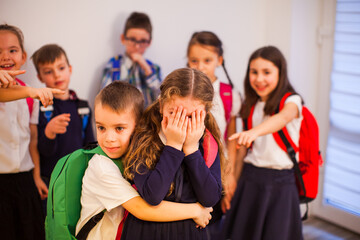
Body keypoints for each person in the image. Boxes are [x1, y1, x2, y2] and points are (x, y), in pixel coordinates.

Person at [76, 81, 213, 239]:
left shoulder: (137, 155)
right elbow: (142, 209)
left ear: (139, 125)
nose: (109, 138)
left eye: (119, 128)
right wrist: (196, 210)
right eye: (101, 127)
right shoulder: (101, 167)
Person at [121, 68, 225, 240]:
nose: (182, 123)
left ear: (205, 114)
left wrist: (191, 150)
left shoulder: (208, 144)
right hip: (145, 232)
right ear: (161, 106)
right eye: (174, 113)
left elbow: (210, 198)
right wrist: (174, 145)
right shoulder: (143, 137)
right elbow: (152, 196)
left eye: (191, 116)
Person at [221, 46, 303, 240]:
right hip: (250, 180)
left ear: (280, 73)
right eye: (254, 72)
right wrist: (232, 181)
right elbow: (243, 152)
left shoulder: (292, 101)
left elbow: (282, 118)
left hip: (281, 184)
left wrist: (253, 132)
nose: (259, 79)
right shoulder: (250, 104)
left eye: (267, 72)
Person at [186, 31, 242, 238]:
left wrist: (230, 174)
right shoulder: (183, 90)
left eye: (207, 60)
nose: (200, 66)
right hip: (188, 164)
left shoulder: (229, 94)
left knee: (213, 221)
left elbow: (231, 138)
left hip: (216, 168)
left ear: (219, 60)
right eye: (194, 60)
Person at [31, 44, 95, 211]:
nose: (57, 74)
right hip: (50, 181)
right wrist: (49, 132)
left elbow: (90, 145)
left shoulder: (83, 107)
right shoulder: (41, 108)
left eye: (61, 68)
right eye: (48, 71)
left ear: (70, 69)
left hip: (78, 180)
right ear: (40, 77)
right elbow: (43, 151)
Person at [0, 23, 45, 239]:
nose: (5, 57)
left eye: (12, 50)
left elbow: (33, 139)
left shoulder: (31, 97)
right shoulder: (31, 91)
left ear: (23, 56)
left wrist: (36, 176)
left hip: (25, 179)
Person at [101, 11, 162, 107]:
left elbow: (163, 98)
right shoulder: (112, 66)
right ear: (123, 38)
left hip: (148, 121)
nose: (137, 46)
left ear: (149, 42)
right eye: (133, 39)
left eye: (143, 41)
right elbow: (104, 100)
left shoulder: (154, 69)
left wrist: (147, 70)